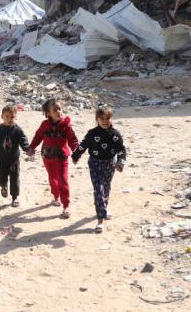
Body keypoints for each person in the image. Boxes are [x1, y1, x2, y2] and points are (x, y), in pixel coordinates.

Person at [72, 105, 126, 233]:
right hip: (95, 164)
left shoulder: (115, 135)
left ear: (111, 118)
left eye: (107, 118)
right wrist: (75, 155)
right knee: (98, 190)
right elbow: (83, 145)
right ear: (97, 119)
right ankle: (100, 220)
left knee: (106, 189)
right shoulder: (92, 133)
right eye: (102, 118)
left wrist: (120, 163)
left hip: (109, 165)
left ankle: (104, 209)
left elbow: (122, 150)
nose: (105, 121)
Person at [27, 99, 79, 219]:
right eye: (55, 110)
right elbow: (38, 136)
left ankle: (66, 205)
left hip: (61, 157)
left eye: (60, 109)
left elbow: (73, 140)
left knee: (62, 179)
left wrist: (76, 152)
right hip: (47, 156)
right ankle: (55, 196)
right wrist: (32, 147)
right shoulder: (44, 125)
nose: (58, 111)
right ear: (48, 113)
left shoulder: (66, 125)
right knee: (52, 178)